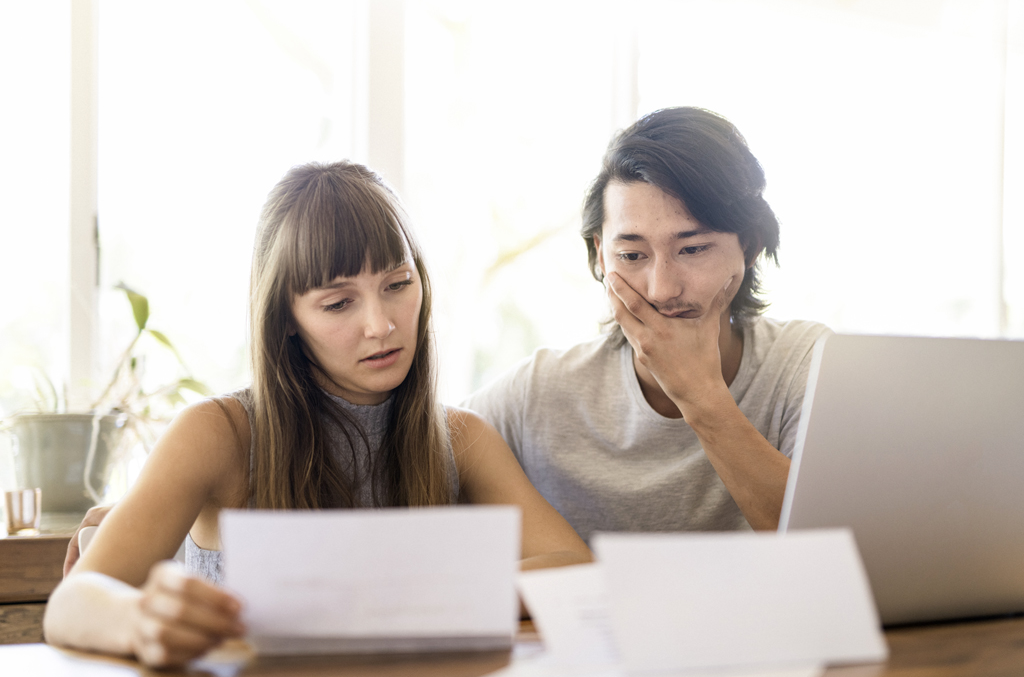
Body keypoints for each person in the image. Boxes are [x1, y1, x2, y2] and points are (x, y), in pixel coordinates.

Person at [45, 161, 591, 668]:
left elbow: (577, 571)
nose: (381, 325)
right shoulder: (219, 433)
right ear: (285, 317)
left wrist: (420, 591)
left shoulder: (459, 437)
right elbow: (71, 605)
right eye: (338, 303)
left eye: (397, 285)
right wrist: (141, 619)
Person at [463, 107, 830, 541]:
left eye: (692, 249)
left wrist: (700, 396)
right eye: (632, 256)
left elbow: (831, 552)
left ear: (748, 246)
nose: (661, 290)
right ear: (601, 255)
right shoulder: (537, 393)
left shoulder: (807, 364)